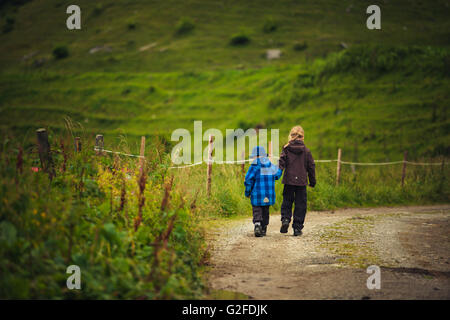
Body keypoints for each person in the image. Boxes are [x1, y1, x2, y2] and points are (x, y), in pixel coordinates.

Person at [278, 125, 316, 236]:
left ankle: (285, 219)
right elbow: (311, 167)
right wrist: (312, 181)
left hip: (289, 181)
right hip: (301, 182)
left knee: (287, 201)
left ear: (291, 136)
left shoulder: (286, 149)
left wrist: (278, 173)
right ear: (302, 137)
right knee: (300, 204)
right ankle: (297, 228)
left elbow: (281, 163)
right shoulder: (306, 151)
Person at [244, 146, 282, 237]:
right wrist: (280, 166)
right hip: (268, 194)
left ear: (256, 156)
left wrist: (248, 192)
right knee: (266, 210)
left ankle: (257, 225)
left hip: (257, 194)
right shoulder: (270, 165)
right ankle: (264, 227)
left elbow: (248, 180)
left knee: (257, 209)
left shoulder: (254, 166)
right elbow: (277, 174)